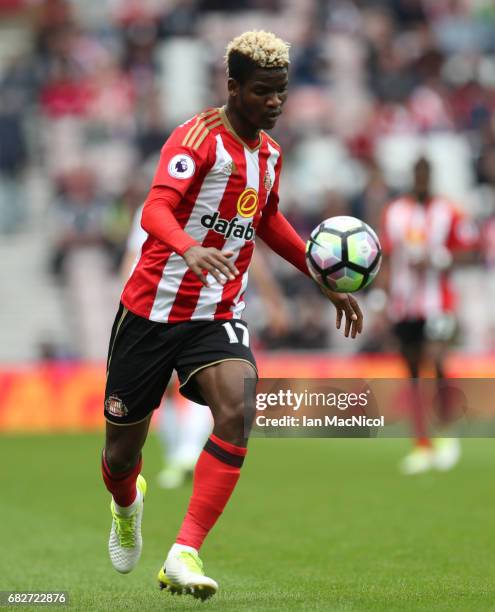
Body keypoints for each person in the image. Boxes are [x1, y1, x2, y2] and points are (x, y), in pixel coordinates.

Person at [101, 30, 363, 600]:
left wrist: (321, 278)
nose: (275, 103)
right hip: (151, 311)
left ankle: (184, 551)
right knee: (120, 454)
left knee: (238, 404)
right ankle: (126, 505)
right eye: (263, 92)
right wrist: (187, 247)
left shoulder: (269, 154)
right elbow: (154, 207)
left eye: (282, 93)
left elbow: (267, 220)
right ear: (234, 87)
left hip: (216, 312)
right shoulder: (194, 138)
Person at [381, 156, 478, 475]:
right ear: (413, 176)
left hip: (438, 302)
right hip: (404, 305)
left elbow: (467, 253)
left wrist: (438, 258)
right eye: (417, 173)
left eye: (426, 174)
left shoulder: (447, 211)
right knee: (411, 373)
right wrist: (381, 297)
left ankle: (447, 436)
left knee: (436, 361)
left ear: (431, 176)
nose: (421, 179)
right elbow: (386, 257)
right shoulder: (395, 212)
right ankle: (421, 444)